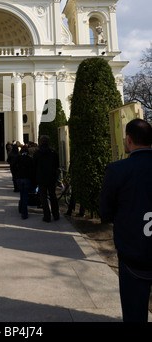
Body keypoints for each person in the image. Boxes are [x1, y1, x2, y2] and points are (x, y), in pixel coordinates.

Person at [100, 118, 152, 323]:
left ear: (128, 140)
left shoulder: (117, 170)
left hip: (133, 253)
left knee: (134, 314)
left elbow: (105, 212)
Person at [33, 135, 59, 222]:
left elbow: (34, 167)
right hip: (51, 178)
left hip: (41, 179)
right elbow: (57, 165)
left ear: (40, 142)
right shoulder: (53, 152)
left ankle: (47, 216)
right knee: (53, 196)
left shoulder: (37, 153)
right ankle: (56, 215)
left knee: (43, 198)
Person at [13, 145, 35, 219]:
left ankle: (22, 209)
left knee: (22, 194)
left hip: (19, 179)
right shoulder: (30, 159)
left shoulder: (18, 158)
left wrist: (15, 176)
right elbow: (32, 170)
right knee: (25, 195)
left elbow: (14, 167)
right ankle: (24, 213)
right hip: (27, 179)